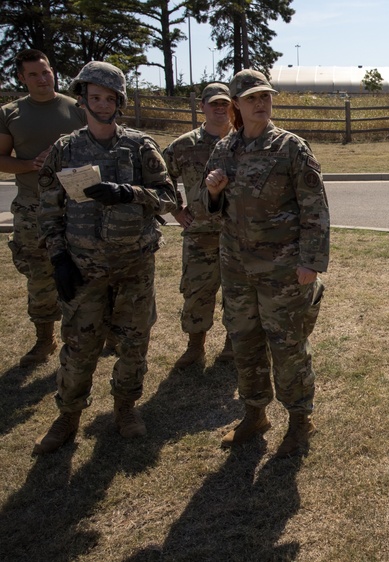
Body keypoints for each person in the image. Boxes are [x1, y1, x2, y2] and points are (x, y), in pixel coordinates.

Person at [32, 61, 177, 455]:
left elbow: (169, 199)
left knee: (133, 343)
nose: (102, 104)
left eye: (109, 98)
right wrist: (59, 258)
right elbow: (48, 209)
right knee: (80, 346)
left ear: (120, 102)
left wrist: (130, 193)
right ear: (83, 100)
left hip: (134, 266)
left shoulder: (140, 146)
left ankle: (125, 408)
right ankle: (68, 416)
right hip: (83, 268)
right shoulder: (65, 150)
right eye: (94, 97)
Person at [203, 69, 329, 458]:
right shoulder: (225, 149)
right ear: (236, 105)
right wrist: (212, 192)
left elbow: (316, 209)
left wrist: (311, 263)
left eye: (265, 97)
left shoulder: (291, 147)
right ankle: (254, 413)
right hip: (238, 268)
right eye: (252, 98)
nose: (261, 103)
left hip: (282, 271)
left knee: (288, 347)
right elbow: (210, 209)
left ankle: (298, 420)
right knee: (244, 342)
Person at [0, 49, 87, 367]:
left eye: (46, 72)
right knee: (39, 276)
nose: (42, 79)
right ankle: (44, 340)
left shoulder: (76, 109)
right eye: (33, 74)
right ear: (21, 78)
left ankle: (89, 334)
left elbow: (95, 151)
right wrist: (28, 163)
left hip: (75, 207)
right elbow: (1, 158)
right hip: (32, 208)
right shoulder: (10, 113)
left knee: (85, 273)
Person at [162, 82, 234, 368]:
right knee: (196, 292)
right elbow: (159, 177)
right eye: (213, 103)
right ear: (202, 106)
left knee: (238, 293)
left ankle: (233, 344)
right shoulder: (184, 145)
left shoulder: (244, 142)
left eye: (224, 103)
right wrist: (176, 210)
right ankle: (195, 346)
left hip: (237, 233)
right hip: (200, 233)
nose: (219, 108)